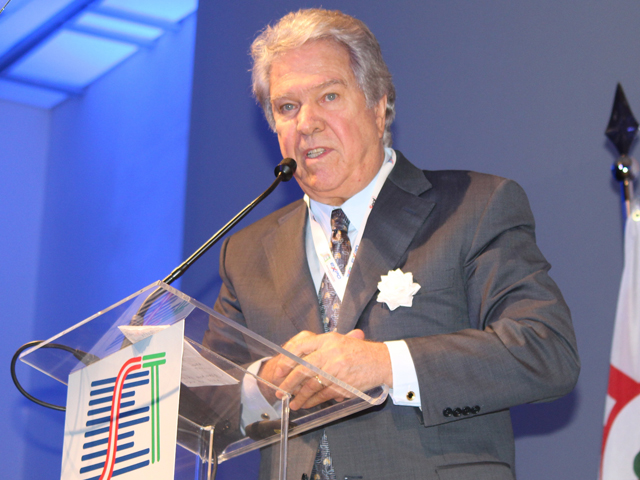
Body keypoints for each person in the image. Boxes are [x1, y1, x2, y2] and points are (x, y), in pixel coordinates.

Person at [206, 8, 580, 480]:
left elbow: (545, 352)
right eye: (287, 107)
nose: (307, 123)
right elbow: (205, 404)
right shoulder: (246, 254)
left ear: (379, 106)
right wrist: (261, 386)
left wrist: (385, 363)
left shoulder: (474, 208)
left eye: (329, 96)